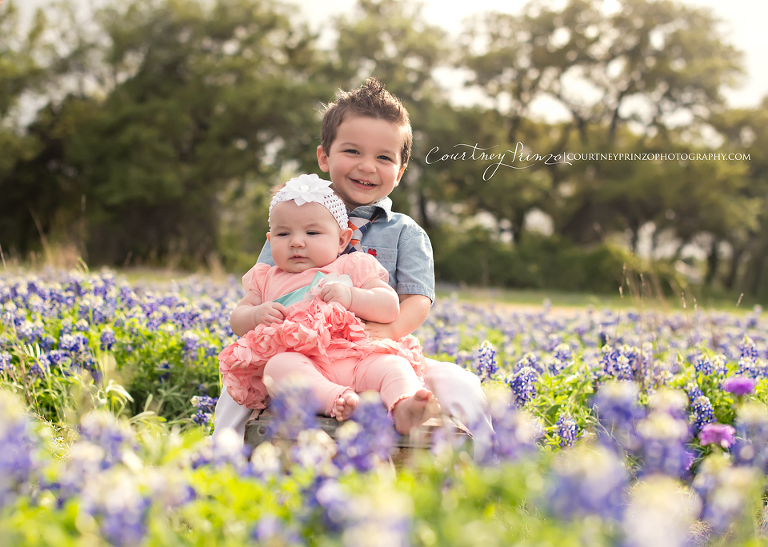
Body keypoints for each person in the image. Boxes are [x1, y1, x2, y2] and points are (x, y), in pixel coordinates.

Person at [214, 77, 494, 455]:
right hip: (302, 355)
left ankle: (486, 471)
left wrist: (387, 332)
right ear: (324, 157)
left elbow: (417, 300)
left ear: (401, 168)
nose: (367, 166)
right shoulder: (289, 219)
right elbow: (262, 287)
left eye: (383, 157)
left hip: (377, 352)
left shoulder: (405, 233)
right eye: (352, 151)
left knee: (461, 384)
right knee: (239, 393)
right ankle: (221, 465)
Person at [218, 174, 437, 434]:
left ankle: (403, 406)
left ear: (342, 240)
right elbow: (237, 318)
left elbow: (390, 306)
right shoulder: (266, 277)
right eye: (283, 233)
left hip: (358, 359)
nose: (296, 242)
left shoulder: (352, 266)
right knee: (277, 368)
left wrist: (352, 297)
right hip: (302, 362)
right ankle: (338, 399)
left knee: (393, 366)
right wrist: (255, 315)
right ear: (269, 239)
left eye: (312, 232)